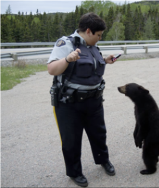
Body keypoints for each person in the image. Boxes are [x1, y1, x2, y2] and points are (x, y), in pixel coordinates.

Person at [47, 12, 117, 187]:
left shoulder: (92, 46)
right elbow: (52, 69)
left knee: (99, 134)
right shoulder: (66, 44)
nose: (100, 39)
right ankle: (75, 172)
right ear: (88, 31)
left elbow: (90, 66)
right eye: (99, 35)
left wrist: (105, 60)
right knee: (71, 140)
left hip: (94, 102)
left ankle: (103, 160)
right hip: (69, 104)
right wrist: (67, 59)